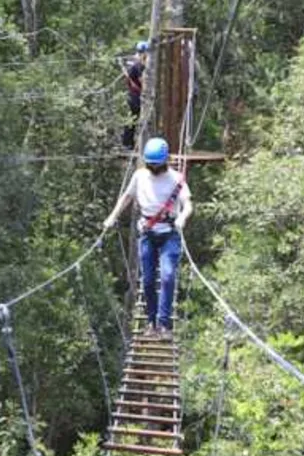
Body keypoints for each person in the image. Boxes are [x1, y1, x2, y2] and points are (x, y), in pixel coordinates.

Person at [103, 137, 193, 339]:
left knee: (168, 277)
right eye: (150, 164)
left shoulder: (177, 178)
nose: (152, 168)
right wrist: (112, 217)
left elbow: (188, 204)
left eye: (156, 164)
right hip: (147, 233)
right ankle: (151, 322)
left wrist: (182, 217)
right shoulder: (139, 176)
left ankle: (164, 325)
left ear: (165, 161)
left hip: (169, 233)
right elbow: (126, 197)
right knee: (149, 280)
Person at [121, 41, 148, 149]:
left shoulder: (135, 63)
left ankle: (128, 142)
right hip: (135, 96)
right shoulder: (138, 65)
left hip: (133, 95)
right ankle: (128, 143)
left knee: (133, 119)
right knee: (134, 119)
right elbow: (143, 82)